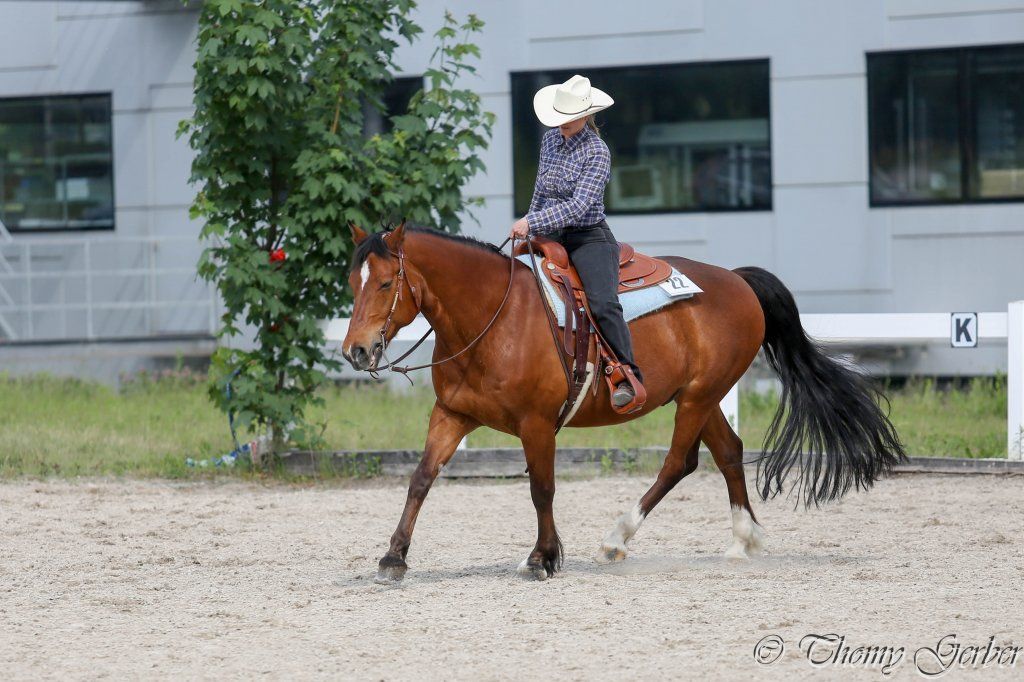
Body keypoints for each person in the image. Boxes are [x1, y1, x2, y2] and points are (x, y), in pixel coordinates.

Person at [509, 74, 642, 408]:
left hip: (587, 237)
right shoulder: (550, 142)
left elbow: (579, 206)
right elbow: (541, 191)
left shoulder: (597, 152)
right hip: (550, 233)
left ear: (586, 115)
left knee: (602, 302)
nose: (562, 124)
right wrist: (530, 229)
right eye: (560, 117)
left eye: (569, 118)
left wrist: (531, 221)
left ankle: (627, 373)